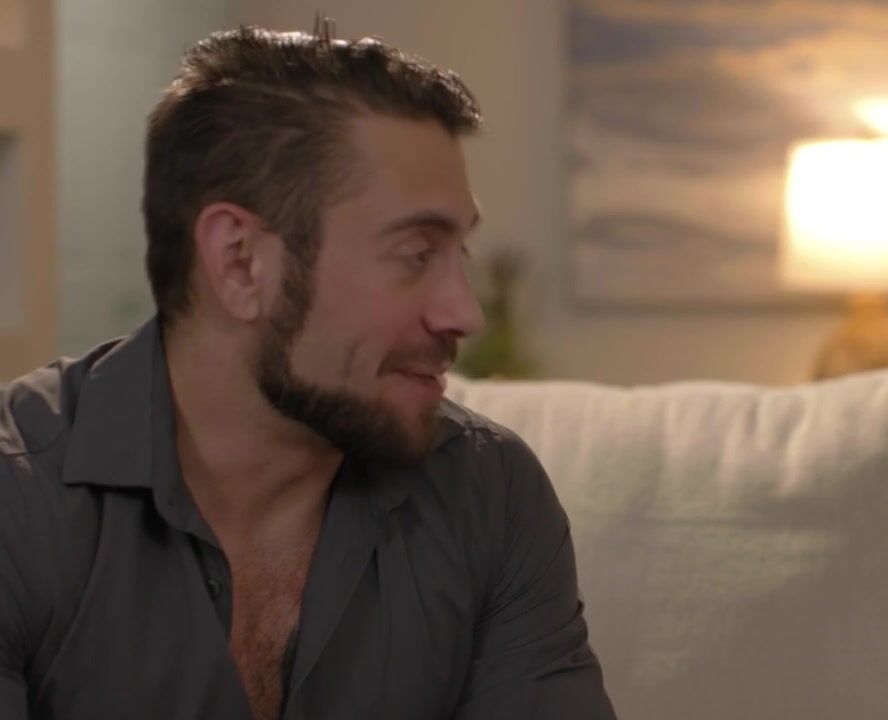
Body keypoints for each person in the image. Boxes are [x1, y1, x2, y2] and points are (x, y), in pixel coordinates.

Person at [0, 21, 615, 720]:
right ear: (241, 263)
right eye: (415, 255)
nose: (462, 312)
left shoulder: (490, 495)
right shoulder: (20, 499)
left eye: (458, 255)